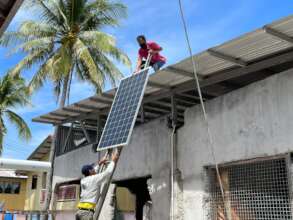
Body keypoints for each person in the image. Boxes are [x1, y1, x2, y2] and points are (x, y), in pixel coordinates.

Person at [75, 151, 119, 220]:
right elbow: (107, 173)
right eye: (92, 168)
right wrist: (113, 161)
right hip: (86, 213)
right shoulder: (94, 179)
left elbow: (94, 171)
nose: (94, 169)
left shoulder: (83, 180)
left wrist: (100, 163)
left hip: (79, 212)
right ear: (90, 171)